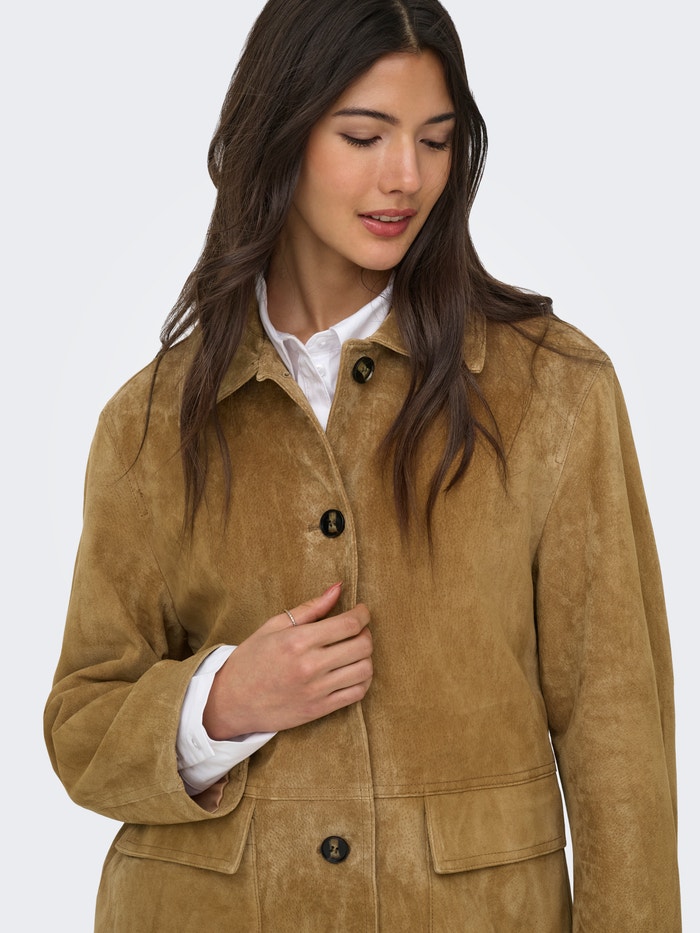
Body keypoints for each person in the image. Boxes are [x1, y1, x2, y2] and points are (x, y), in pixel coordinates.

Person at [44, 0, 681, 930]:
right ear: (281, 134)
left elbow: (617, 738)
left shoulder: (555, 391)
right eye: (364, 135)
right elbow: (81, 726)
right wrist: (218, 702)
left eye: (435, 140)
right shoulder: (148, 424)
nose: (406, 176)